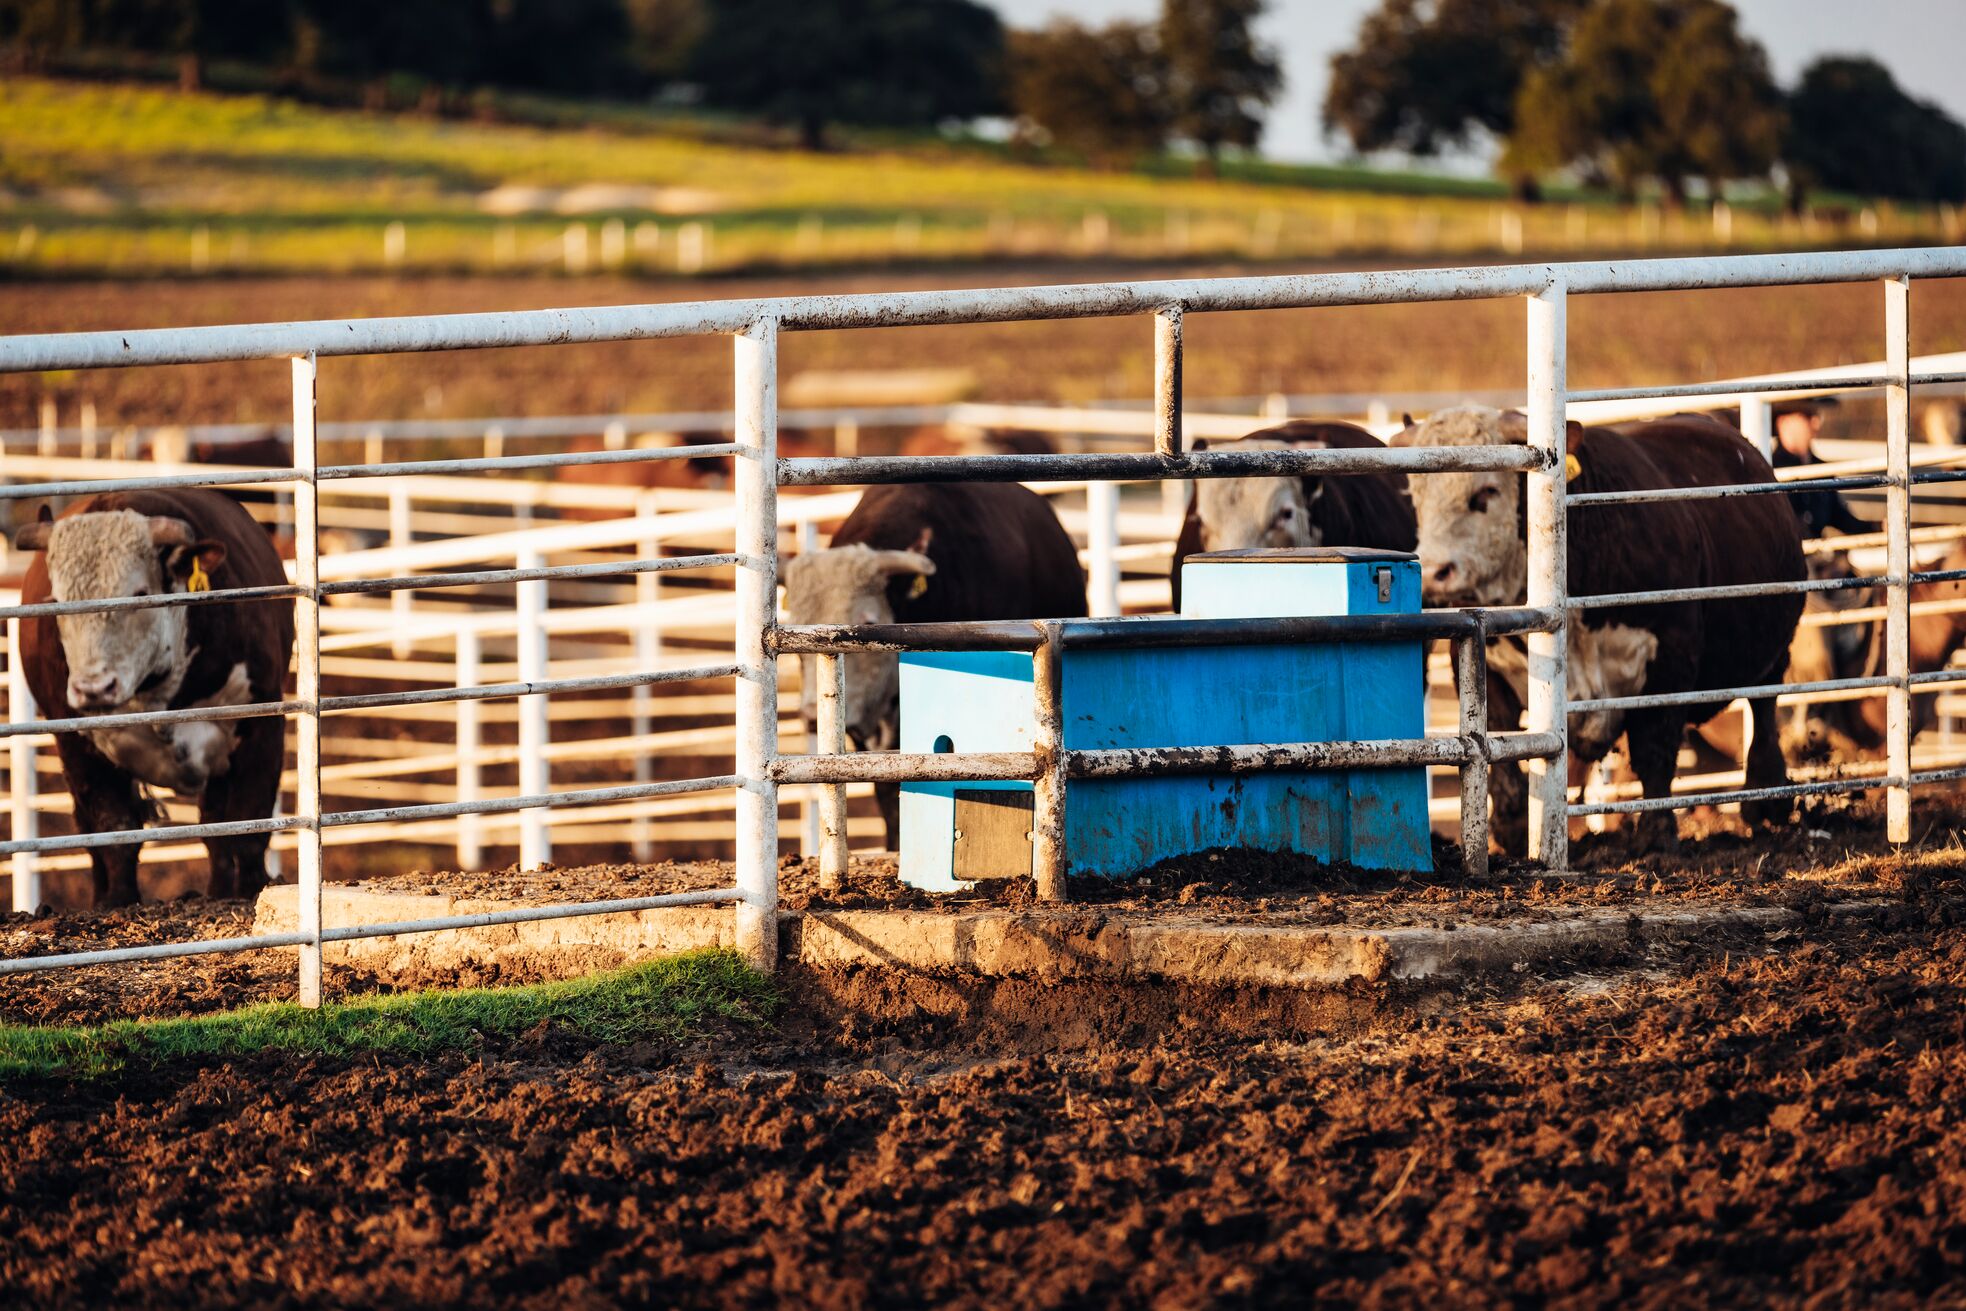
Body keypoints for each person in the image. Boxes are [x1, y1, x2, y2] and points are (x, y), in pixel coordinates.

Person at [1769, 396, 1871, 539]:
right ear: (1783, 422)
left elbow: (1840, 518)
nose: (1816, 423)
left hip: (1815, 554)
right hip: (1790, 555)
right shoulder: (1771, 470)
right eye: (1807, 416)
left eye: (1815, 416)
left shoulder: (1822, 469)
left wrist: (1877, 527)